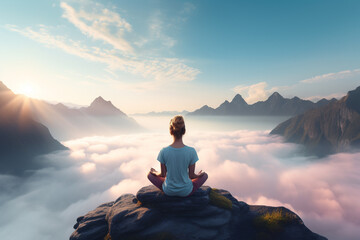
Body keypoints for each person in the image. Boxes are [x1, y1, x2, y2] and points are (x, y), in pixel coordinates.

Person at [147, 115, 208, 197]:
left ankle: (171, 182)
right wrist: (198, 175)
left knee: (149, 175)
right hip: (186, 191)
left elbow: (163, 174)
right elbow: (191, 176)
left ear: (171, 131)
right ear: (184, 131)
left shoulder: (163, 151)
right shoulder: (191, 151)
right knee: (205, 175)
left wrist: (154, 172)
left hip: (169, 191)